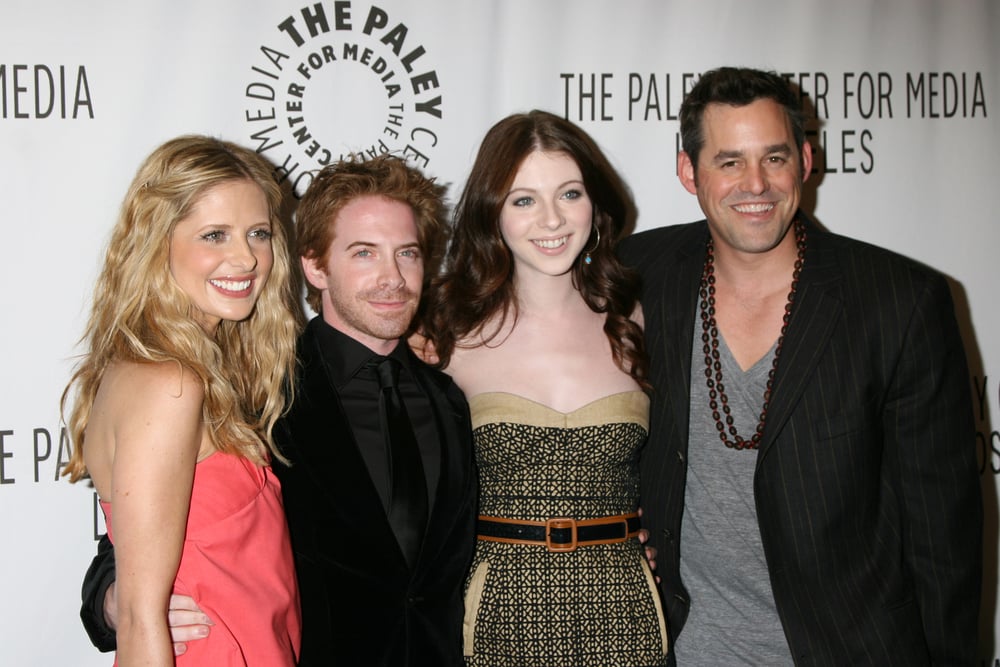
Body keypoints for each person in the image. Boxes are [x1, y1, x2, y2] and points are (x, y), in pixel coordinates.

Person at [618, 66, 982, 664]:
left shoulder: (899, 301)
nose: (755, 184)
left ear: (806, 161)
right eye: (729, 161)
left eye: (775, 157)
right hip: (680, 649)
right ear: (689, 171)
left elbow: (943, 535)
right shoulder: (637, 273)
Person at [80, 153, 477, 667]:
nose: (392, 277)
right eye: (364, 253)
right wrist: (116, 601)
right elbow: (137, 541)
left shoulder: (449, 400)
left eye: (407, 253)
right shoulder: (261, 391)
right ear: (314, 264)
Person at [421, 110, 669, 666]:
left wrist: (659, 540)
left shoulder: (639, 319)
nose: (551, 219)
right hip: (500, 613)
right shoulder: (443, 331)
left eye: (570, 194)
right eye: (523, 200)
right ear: (492, 212)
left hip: (623, 611)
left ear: (595, 204)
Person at [62, 135, 302, 665]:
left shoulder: (195, 370)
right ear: (157, 243)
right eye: (215, 235)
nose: (246, 257)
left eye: (258, 233)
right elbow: (140, 618)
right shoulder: (170, 383)